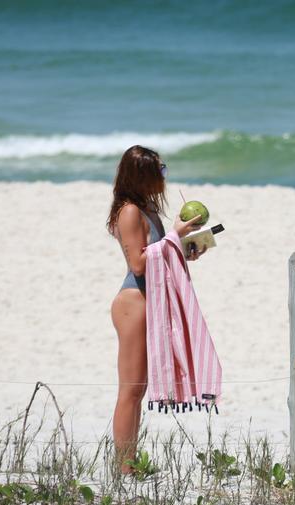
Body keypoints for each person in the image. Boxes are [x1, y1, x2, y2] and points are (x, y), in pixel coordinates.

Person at [106, 145, 204, 473]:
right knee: (131, 390)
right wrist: (175, 235)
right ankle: (124, 468)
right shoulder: (130, 211)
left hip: (150, 301)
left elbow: (159, 254)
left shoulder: (146, 208)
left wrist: (184, 248)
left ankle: (129, 463)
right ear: (142, 175)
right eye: (160, 170)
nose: (165, 176)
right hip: (134, 302)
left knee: (140, 389)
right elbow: (137, 264)